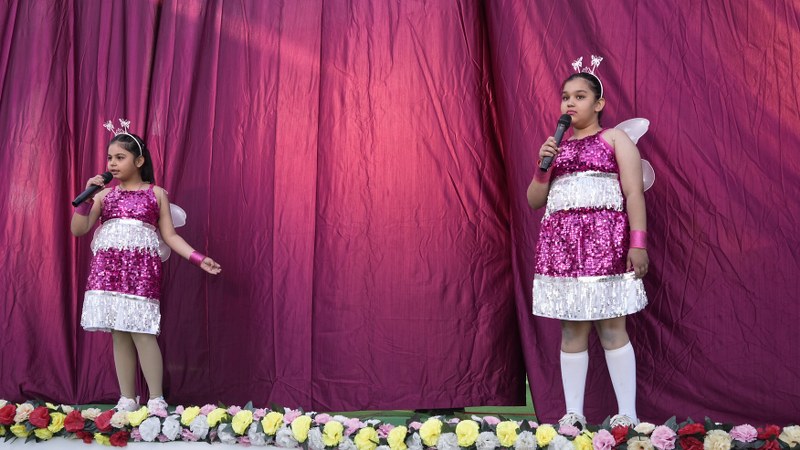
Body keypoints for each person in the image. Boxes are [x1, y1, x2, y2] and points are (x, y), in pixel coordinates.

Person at [527, 58, 649, 428]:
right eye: (565, 96)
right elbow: (534, 200)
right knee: (571, 330)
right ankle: (574, 415)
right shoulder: (556, 147)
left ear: (598, 104)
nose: (570, 102)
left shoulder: (614, 139)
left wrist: (638, 242)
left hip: (605, 245)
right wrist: (543, 166)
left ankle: (627, 414)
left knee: (612, 327)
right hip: (562, 250)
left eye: (580, 96)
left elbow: (633, 192)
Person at [71, 120, 221, 412]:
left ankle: (155, 398)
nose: (112, 163)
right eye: (110, 158)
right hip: (107, 273)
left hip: (140, 273)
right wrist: (86, 198)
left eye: (120, 157)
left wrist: (198, 258)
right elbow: (79, 229)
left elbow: (170, 236)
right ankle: (127, 398)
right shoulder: (103, 196)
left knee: (142, 330)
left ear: (139, 161)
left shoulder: (156, 194)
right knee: (119, 332)